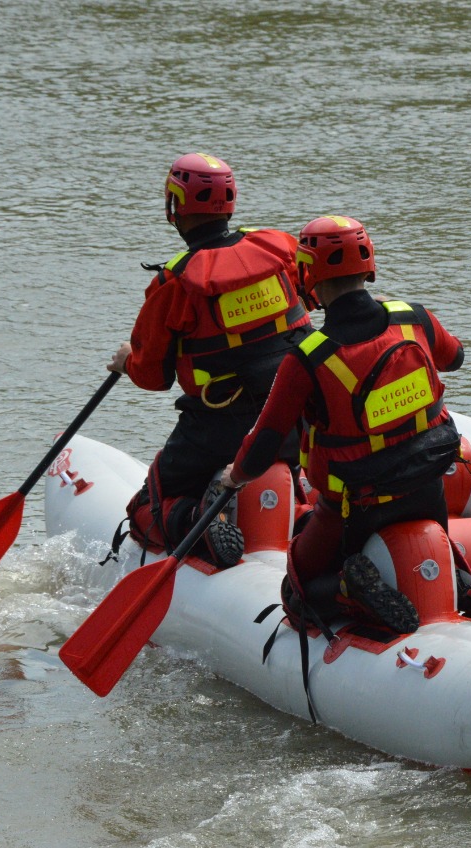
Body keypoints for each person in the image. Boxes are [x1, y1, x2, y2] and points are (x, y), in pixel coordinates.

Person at [219, 215, 471, 631]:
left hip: (354, 508)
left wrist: (235, 478)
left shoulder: (308, 357)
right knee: (443, 552)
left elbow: (266, 440)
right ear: (369, 267)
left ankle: (347, 588)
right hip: (428, 489)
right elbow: (457, 357)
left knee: (297, 593)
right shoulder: (415, 319)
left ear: (308, 275)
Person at [108, 153, 312, 567]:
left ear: (174, 207)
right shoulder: (278, 247)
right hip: (298, 419)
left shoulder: (174, 283)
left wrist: (127, 361)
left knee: (146, 507)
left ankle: (198, 517)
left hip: (220, 428)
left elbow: (153, 376)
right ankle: (305, 520)